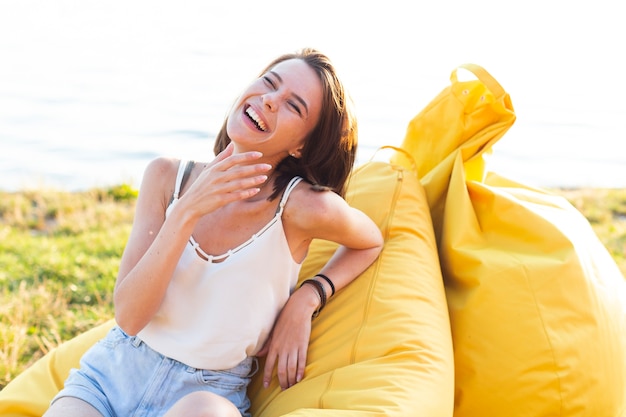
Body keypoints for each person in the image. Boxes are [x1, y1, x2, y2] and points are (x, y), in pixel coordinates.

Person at [43, 48, 383, 417]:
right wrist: (187, 210)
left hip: (205, 395)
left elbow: (369, 241)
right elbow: (129, 317)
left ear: (301, 145)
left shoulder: (302, 208)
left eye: (293, 105)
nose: (269, 100)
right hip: (111, 376)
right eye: (269, 83)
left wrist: (308, 297)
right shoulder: (165, 178)